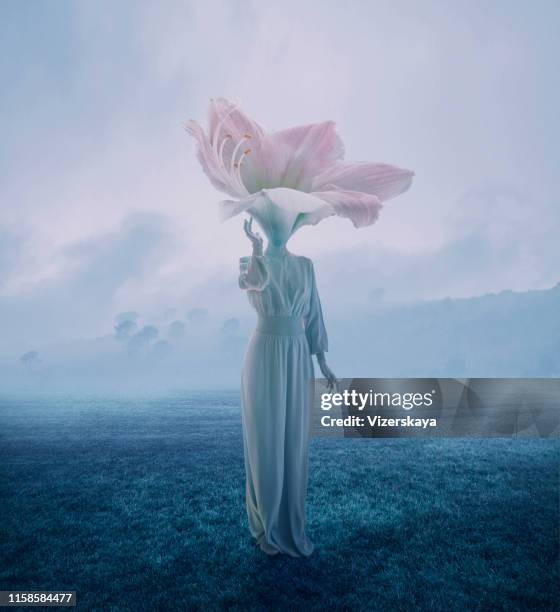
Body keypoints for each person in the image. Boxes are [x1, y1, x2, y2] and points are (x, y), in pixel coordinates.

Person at [239, 214, 336, 557]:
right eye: (271, 223)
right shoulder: (252, 262)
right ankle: (265, 524)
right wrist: (255, 249)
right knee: (265, 437)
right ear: (263, 226)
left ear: (294, 226)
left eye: (285, 223)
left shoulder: (306, 266)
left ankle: (288, 523)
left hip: (297, 353)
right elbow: (253, 285)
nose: (278, 229)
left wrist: (321, 358)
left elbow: (314, 312)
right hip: (264, 349)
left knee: (293, 439)